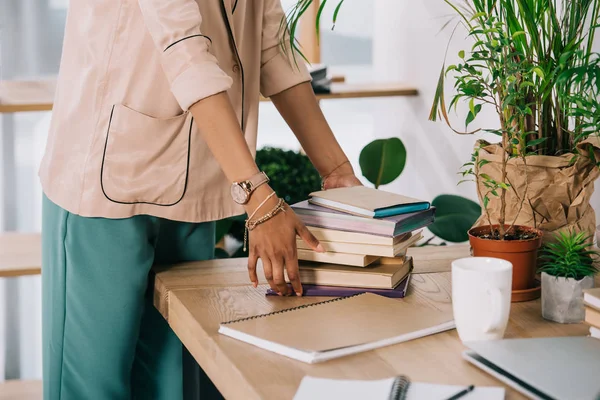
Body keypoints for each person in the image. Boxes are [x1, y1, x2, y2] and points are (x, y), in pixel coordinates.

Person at [39, 0, 360, 399]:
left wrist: (337, 170)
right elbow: (184, 48)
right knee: (93, 388)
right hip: (107, 186)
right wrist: (258, 197)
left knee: (171, 382)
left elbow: (272, 46)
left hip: (198, 186)